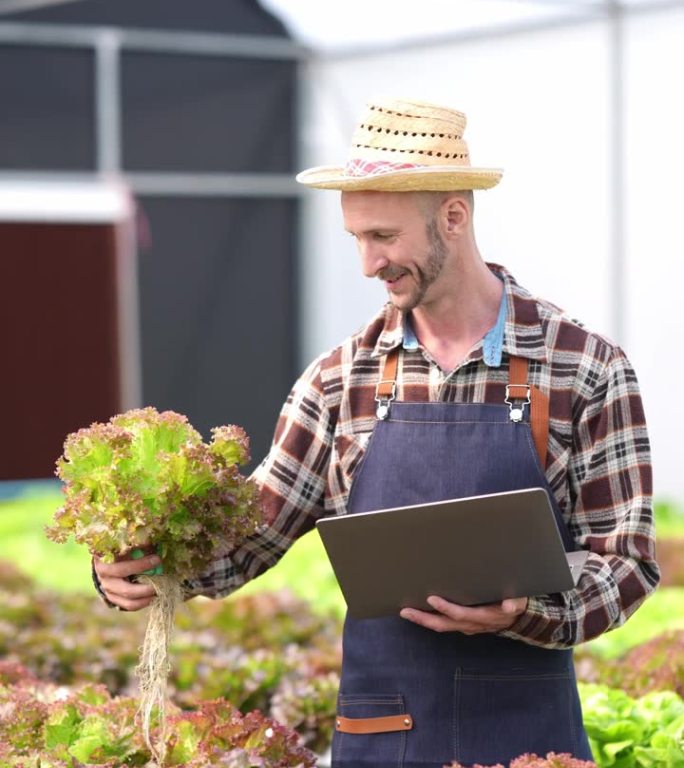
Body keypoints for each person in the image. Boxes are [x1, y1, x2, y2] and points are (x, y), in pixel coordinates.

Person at [93, 97, 659, 768]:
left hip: (527, 735)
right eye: (357, 238)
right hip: (384, 734)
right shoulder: (340, 379)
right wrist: (145, 568)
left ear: (454, 216)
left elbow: (625, 561)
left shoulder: (582, 367)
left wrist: (529, 610)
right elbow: (250, 535)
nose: (367, 263)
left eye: (383, 237)